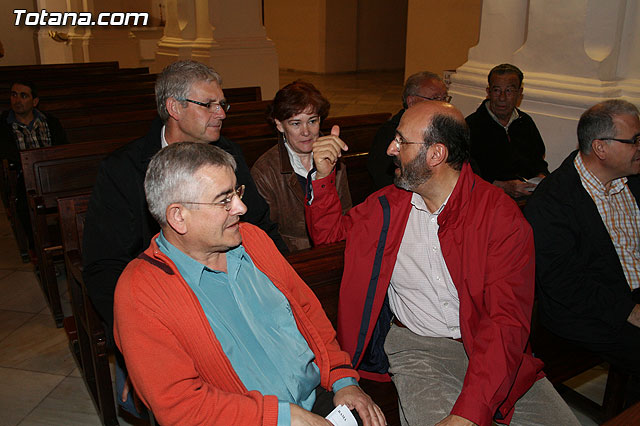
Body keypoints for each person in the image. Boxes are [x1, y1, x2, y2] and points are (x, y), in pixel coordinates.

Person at [305, 101, 579, 425]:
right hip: (418, 350)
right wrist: (322, 178)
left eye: (401, 141)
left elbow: (505, 323)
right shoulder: (387, 208)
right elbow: (331, 237)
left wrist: (468, 413)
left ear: (436, 154)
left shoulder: (499, 217)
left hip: (488, 348)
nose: (391, 149)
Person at [114, 141, 386, 426]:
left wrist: (343, 379)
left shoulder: (252, 240)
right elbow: (181, 406)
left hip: (316, 397)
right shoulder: (141, 292)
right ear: (178, 217)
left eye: (237, 192)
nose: (241, 207)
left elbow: (308, 314)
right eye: (224, 200)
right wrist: (281, 416)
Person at [82, 60, 287, 416]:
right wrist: (136, 346)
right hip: (156, 309)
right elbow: (105, 265)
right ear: (174, 108)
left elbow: (259, 227)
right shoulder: (123, 168)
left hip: (228, 291)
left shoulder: (230, 154)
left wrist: (284, 293)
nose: (221, 113)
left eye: (223, 104)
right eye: (209, 104)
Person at [524, 100, 640, 382]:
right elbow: (564, 284)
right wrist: (629, 311)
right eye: (634, 140)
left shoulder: (632, 180)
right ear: (601, 148)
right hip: (586, 309)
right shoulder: (554, 200)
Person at [251, 80, 352, 252]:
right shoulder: (265, 171)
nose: (306, 132)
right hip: (290, 257)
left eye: (312, 121)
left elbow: (345, 215)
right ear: (279, 125)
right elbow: (265, 235)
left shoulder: (333, 157)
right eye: (296, 123)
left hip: (333, 250)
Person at [0, 81, 68, 254]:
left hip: (53, 174)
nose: (17, 100)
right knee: (26, 201)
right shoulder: (3, 125)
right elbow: (7, 154)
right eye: (14, 94)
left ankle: (68, 243)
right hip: (24, 176)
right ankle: (37, 248)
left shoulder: (50, 122)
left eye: (23, 95)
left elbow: (63, 149)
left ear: (35, 101)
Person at [466, 64, 549, 198]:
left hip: (528, 197)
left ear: (519, 93)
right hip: (488, 199)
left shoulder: (525, 122)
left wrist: (541, 177)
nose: (502, 98)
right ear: (488, 92)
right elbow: (465, 175)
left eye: (509, 91)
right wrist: (501, 186)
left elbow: (538, 161)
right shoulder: (471, 126)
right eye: (497, 90)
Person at [367, 71, 450, 190]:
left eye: (445, 98)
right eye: (435, 98)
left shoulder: (447, 129)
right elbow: (384, 178)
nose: (442, 105)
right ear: (411, 101)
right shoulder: (389, 133)